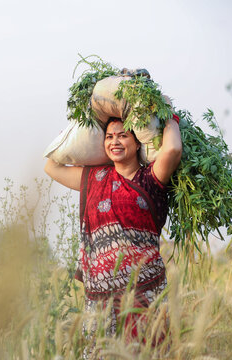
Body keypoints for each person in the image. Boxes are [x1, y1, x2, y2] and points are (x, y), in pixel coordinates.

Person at [44, 115, 182, 345]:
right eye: (109, 137)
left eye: (122, 135)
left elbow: (173, 149)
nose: (114, 142)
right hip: (100, 302)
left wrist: (169, 117)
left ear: (137, 142)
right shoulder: (95, 178)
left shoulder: (150, 178)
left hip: (145, 294)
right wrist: (82, 121)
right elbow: (51, 166)